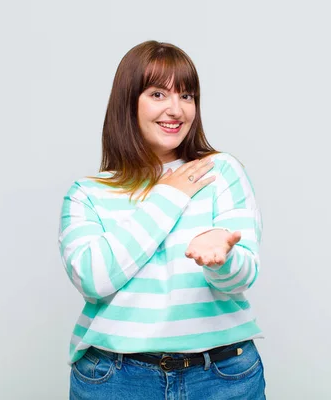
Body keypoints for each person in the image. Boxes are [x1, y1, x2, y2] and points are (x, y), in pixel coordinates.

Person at [58, 40, 265, 399]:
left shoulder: (220, 171)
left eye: (187, 96)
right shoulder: (87, 193)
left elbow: (240, 279)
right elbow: (94, 279)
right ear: (128, 102)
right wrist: (168, 196)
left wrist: (222, 259)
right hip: (116, 380)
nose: (176, 109)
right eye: (158, 94)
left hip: (222, 378)